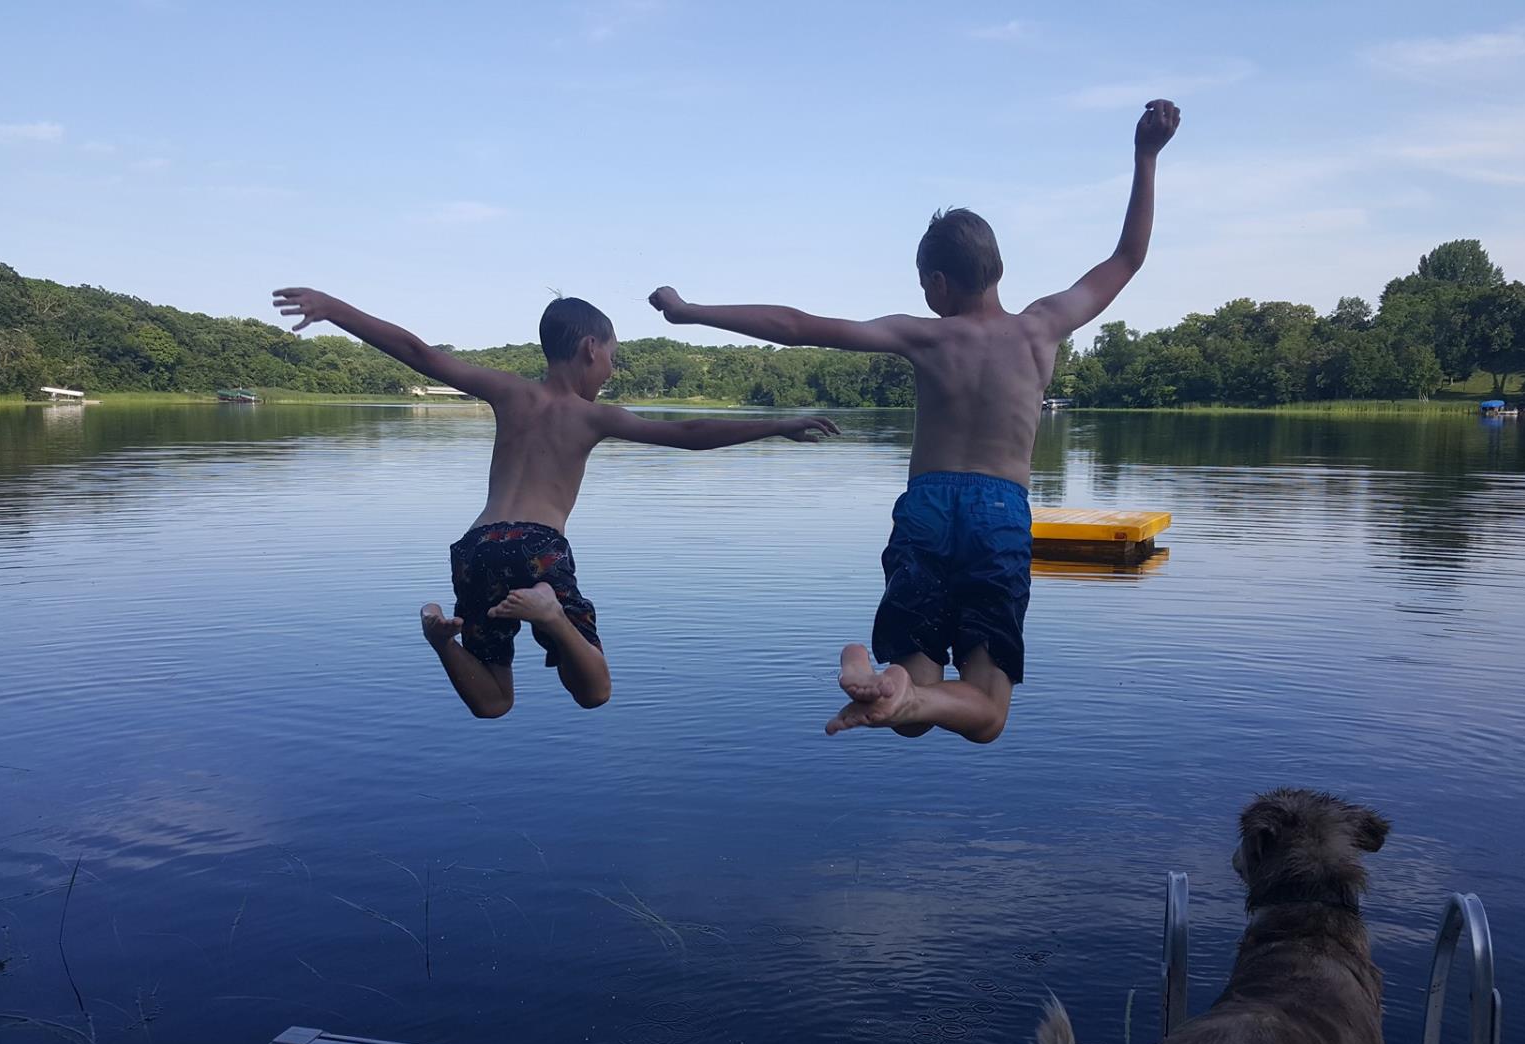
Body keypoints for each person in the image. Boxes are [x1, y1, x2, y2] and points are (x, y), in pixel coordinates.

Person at [647, 100, 1180, 743]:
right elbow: (1128, 257)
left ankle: (892, 680)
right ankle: (901, 690)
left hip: (927, 506)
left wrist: (692, 310)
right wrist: (1146, 155)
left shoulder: (924, 336)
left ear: (936, 282)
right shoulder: (1044, 327)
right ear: (997, 269)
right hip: (1000, 512)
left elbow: (797, 326)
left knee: (912, 698)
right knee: (987, 714)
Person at [272, 288, 838, 718]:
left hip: (476, 548)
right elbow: (687, 433)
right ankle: (552, 618)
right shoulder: (592, 416)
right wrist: (776, 426)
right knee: (594, 691)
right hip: (538, 549)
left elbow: (416, 351)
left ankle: (439, 639)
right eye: (612, 357)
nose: (612, 370)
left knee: (494, 701)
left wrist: (333, 308)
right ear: (591, 348)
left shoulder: (506, 390)